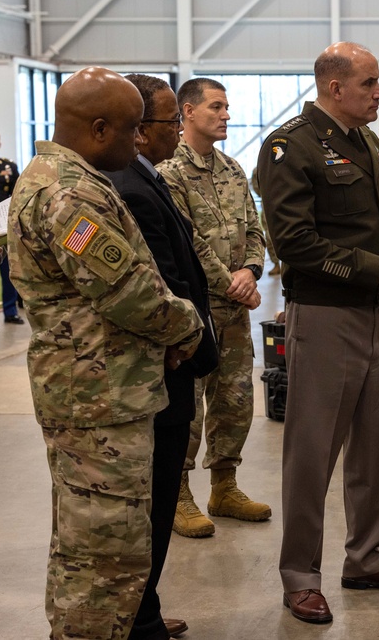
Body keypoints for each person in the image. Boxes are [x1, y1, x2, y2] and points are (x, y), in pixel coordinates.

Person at [7, 67, 204, 640]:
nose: (139, 139)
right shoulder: (70, 196)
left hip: (97, 392)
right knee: (105, 558)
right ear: (98, 129)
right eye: (132, 128)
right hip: (100, 401)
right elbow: (131, 293)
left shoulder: (60, 178)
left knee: (86, 544)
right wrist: (189, 325)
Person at [258, 41, 379, 625]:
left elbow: (377, 227)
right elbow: (292, 244)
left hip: (376, 312)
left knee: (373, 445)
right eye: (370, 83)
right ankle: (299, 577)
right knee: (312, 452)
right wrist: (375, 268)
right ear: (335, 87)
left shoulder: (361, 141)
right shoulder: (290, 146)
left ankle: (365, 556)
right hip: (326, 313)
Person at [104, 74, 220, 640]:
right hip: (162, 365)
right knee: (148, 505)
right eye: (166, 121)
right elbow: (163, 284)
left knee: (154, 500)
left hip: (174, 357)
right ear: (136, 129)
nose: (175, 130)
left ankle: (143, 610)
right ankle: (137, 619)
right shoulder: (127, 185)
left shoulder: (146, 177)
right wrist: (195, 343)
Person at [157, 77, 268, 539]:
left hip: (235, 313)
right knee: (191, 407)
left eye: (227, 107)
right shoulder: (168, 173)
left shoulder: (232, 168)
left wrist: (253, 269)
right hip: (196, 309)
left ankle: (225, 486)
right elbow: (190, 245)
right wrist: (232, 284)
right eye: (216, 107)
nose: (226, 115)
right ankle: (178, 494)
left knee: (235, 399)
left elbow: (255, 227)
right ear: (187, 112)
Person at [0, 131, 22, 325]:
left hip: (3, 225)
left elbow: (18, 194)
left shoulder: (8, 166)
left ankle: (11, 310)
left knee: (9, 269)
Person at [250, 167, 282, 276]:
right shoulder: (258, 170)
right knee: (269, 236)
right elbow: (257, 188)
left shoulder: (283, 166)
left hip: (284, 204)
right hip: (269, 205)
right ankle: (276, 264)